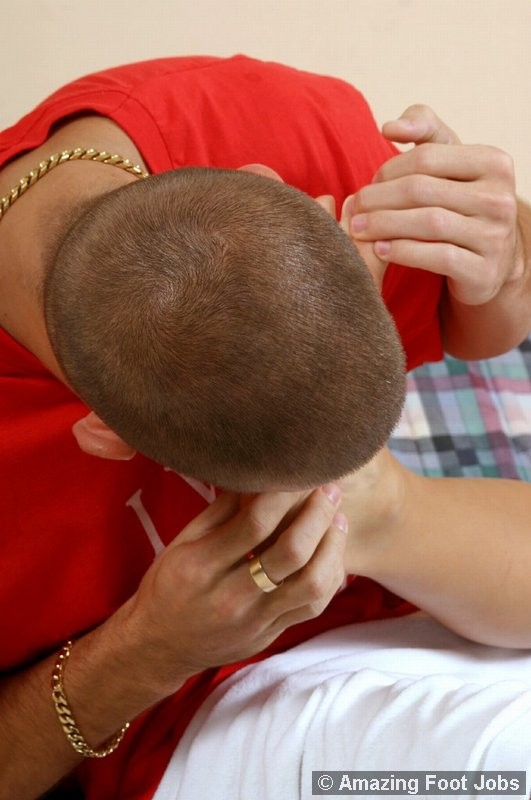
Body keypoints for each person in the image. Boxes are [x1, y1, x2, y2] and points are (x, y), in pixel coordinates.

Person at [0, 55, 529, 800]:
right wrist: (147, 648)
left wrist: (506, 261)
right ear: (104, 434)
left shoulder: (277, 126)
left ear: (278, 189)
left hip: (437, 610)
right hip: (213, 723)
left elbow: (484, 321)